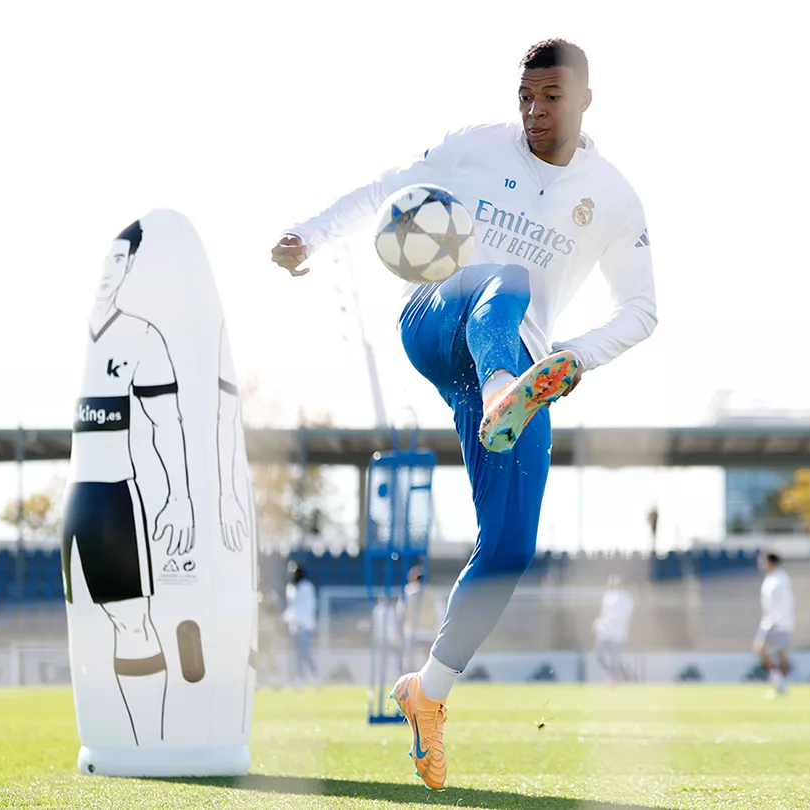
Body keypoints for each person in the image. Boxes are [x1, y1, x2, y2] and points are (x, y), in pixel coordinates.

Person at [272, 38, 657, 790]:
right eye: (526, 96)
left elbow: (643, 310)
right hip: (439, 321)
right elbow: (390, 185)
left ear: (583, 99)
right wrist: (310, 237)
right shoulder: (476, 147)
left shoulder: (612, 197)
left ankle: (429, 693)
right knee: (504, 279)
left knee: (509, 549)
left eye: (550, 97)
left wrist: (572, 358)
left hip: (520, 364)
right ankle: (502, 389)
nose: (534, 111)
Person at [61, 219, 194, 746]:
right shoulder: (74, 334)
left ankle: (151, 746)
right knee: (86, 625)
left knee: (133, 620)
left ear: (133, 270)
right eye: (106, 259)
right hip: (73, 497)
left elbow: (168, 421)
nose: (108, 271)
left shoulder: (141, 336)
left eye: (121, 261)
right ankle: (109, 741)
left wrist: (180, 498)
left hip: (116, 495)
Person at [755, 553, 794, 696]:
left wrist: (778, 621)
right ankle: (778, 680)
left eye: (763, 562)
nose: (761, 565)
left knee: (781, 653)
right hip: (768, 622)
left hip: (780, 623)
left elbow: (785, 603)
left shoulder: (781, 580)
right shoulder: (770, 579)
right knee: (760, 649)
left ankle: (783, 684)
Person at [591, 575, 635, 685]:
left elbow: (625, 615)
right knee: (599, 655)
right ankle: (620, 675)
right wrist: (597, 623)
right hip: (605, 631)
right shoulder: (607, 597)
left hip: (618, 633)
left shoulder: (627, 598)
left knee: (614, 659)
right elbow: (603, 613)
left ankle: (613, 679)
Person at [282, 561, 319, 689]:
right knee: (298, 653)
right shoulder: (290, 588)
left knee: (304, 652)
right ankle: (300, 679)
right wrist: (285, 618)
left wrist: (301, 621)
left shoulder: (307, 587)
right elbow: (292, 607)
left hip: (304, 626)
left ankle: (313, 675)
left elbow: (308, 607)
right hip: (294, 627)